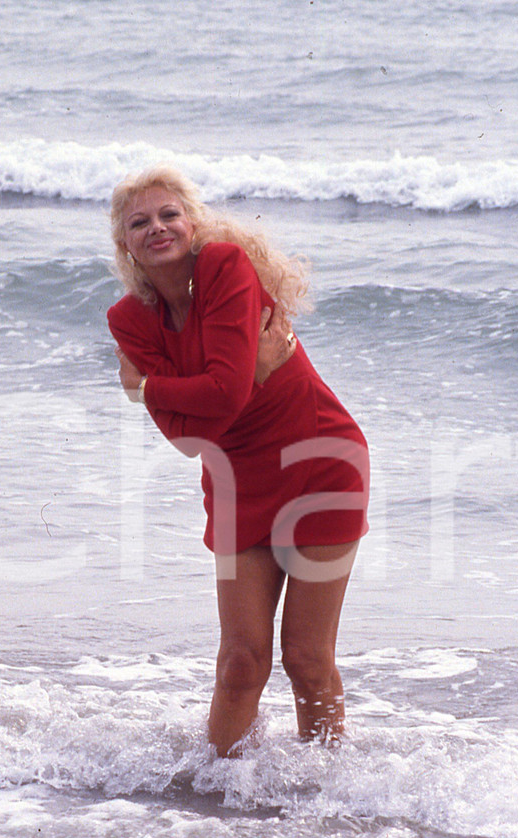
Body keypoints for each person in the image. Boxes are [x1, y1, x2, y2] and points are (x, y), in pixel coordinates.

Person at [107, 165, 369, 758]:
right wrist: (244, 377)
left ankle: (328, 787)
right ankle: (216, 789)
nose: (157, 228)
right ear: (125, 244)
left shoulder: (225, 267)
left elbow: (221, 398)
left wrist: (146, 388)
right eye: (139, 223)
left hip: (320, 460)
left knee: (306, 656)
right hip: (234, 477)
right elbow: (188, 440)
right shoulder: (128, 320)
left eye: (169, 214)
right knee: (240, 661)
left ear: (192, 224)